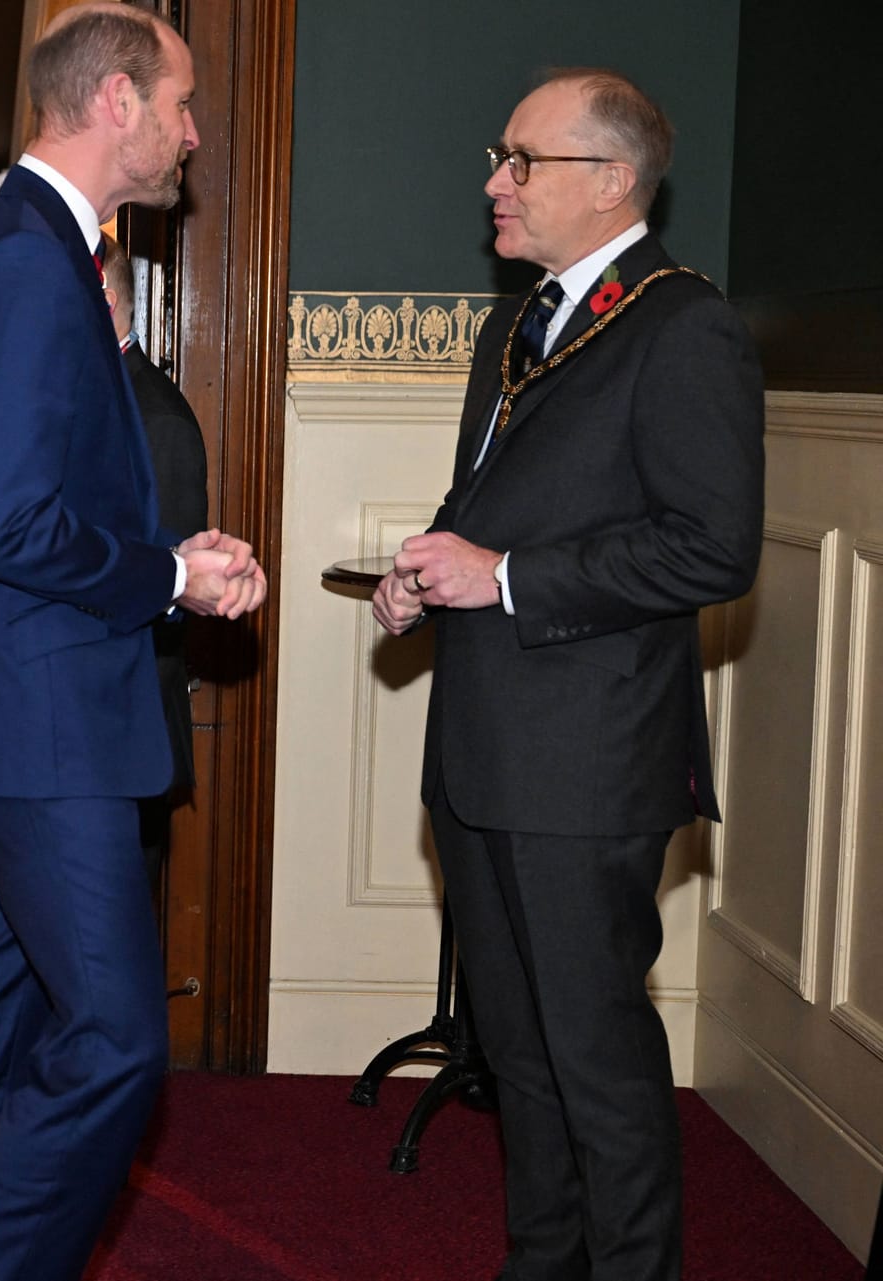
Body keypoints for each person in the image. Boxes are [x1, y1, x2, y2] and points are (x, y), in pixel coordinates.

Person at [0, 8, 269, 1279]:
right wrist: (167, 576)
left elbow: (44, 498)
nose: (191, 133)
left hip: (12, 715)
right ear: (114, 100)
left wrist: (177, 563)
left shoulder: (40, 248)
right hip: (40, 729)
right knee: (115, 1042)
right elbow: (11, 526)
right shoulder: (24, 264)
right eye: (180, 104)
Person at [373, 69, 763, 1279]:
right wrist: (428, 571)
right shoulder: (518, 319)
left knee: (595, 1058)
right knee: (521, 1054)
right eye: (502, 156)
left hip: (590, 767)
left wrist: (503, 577)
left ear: (610, 181)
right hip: (484, 754)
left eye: (521, 161)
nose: (495, 181)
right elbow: (486, 504)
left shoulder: (682, 323)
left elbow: (713, 546)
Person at [100, 233, 209, 894]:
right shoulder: (77, 398)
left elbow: (170, 594)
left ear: (105, 298)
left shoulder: (156, 418)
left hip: (125, 733)